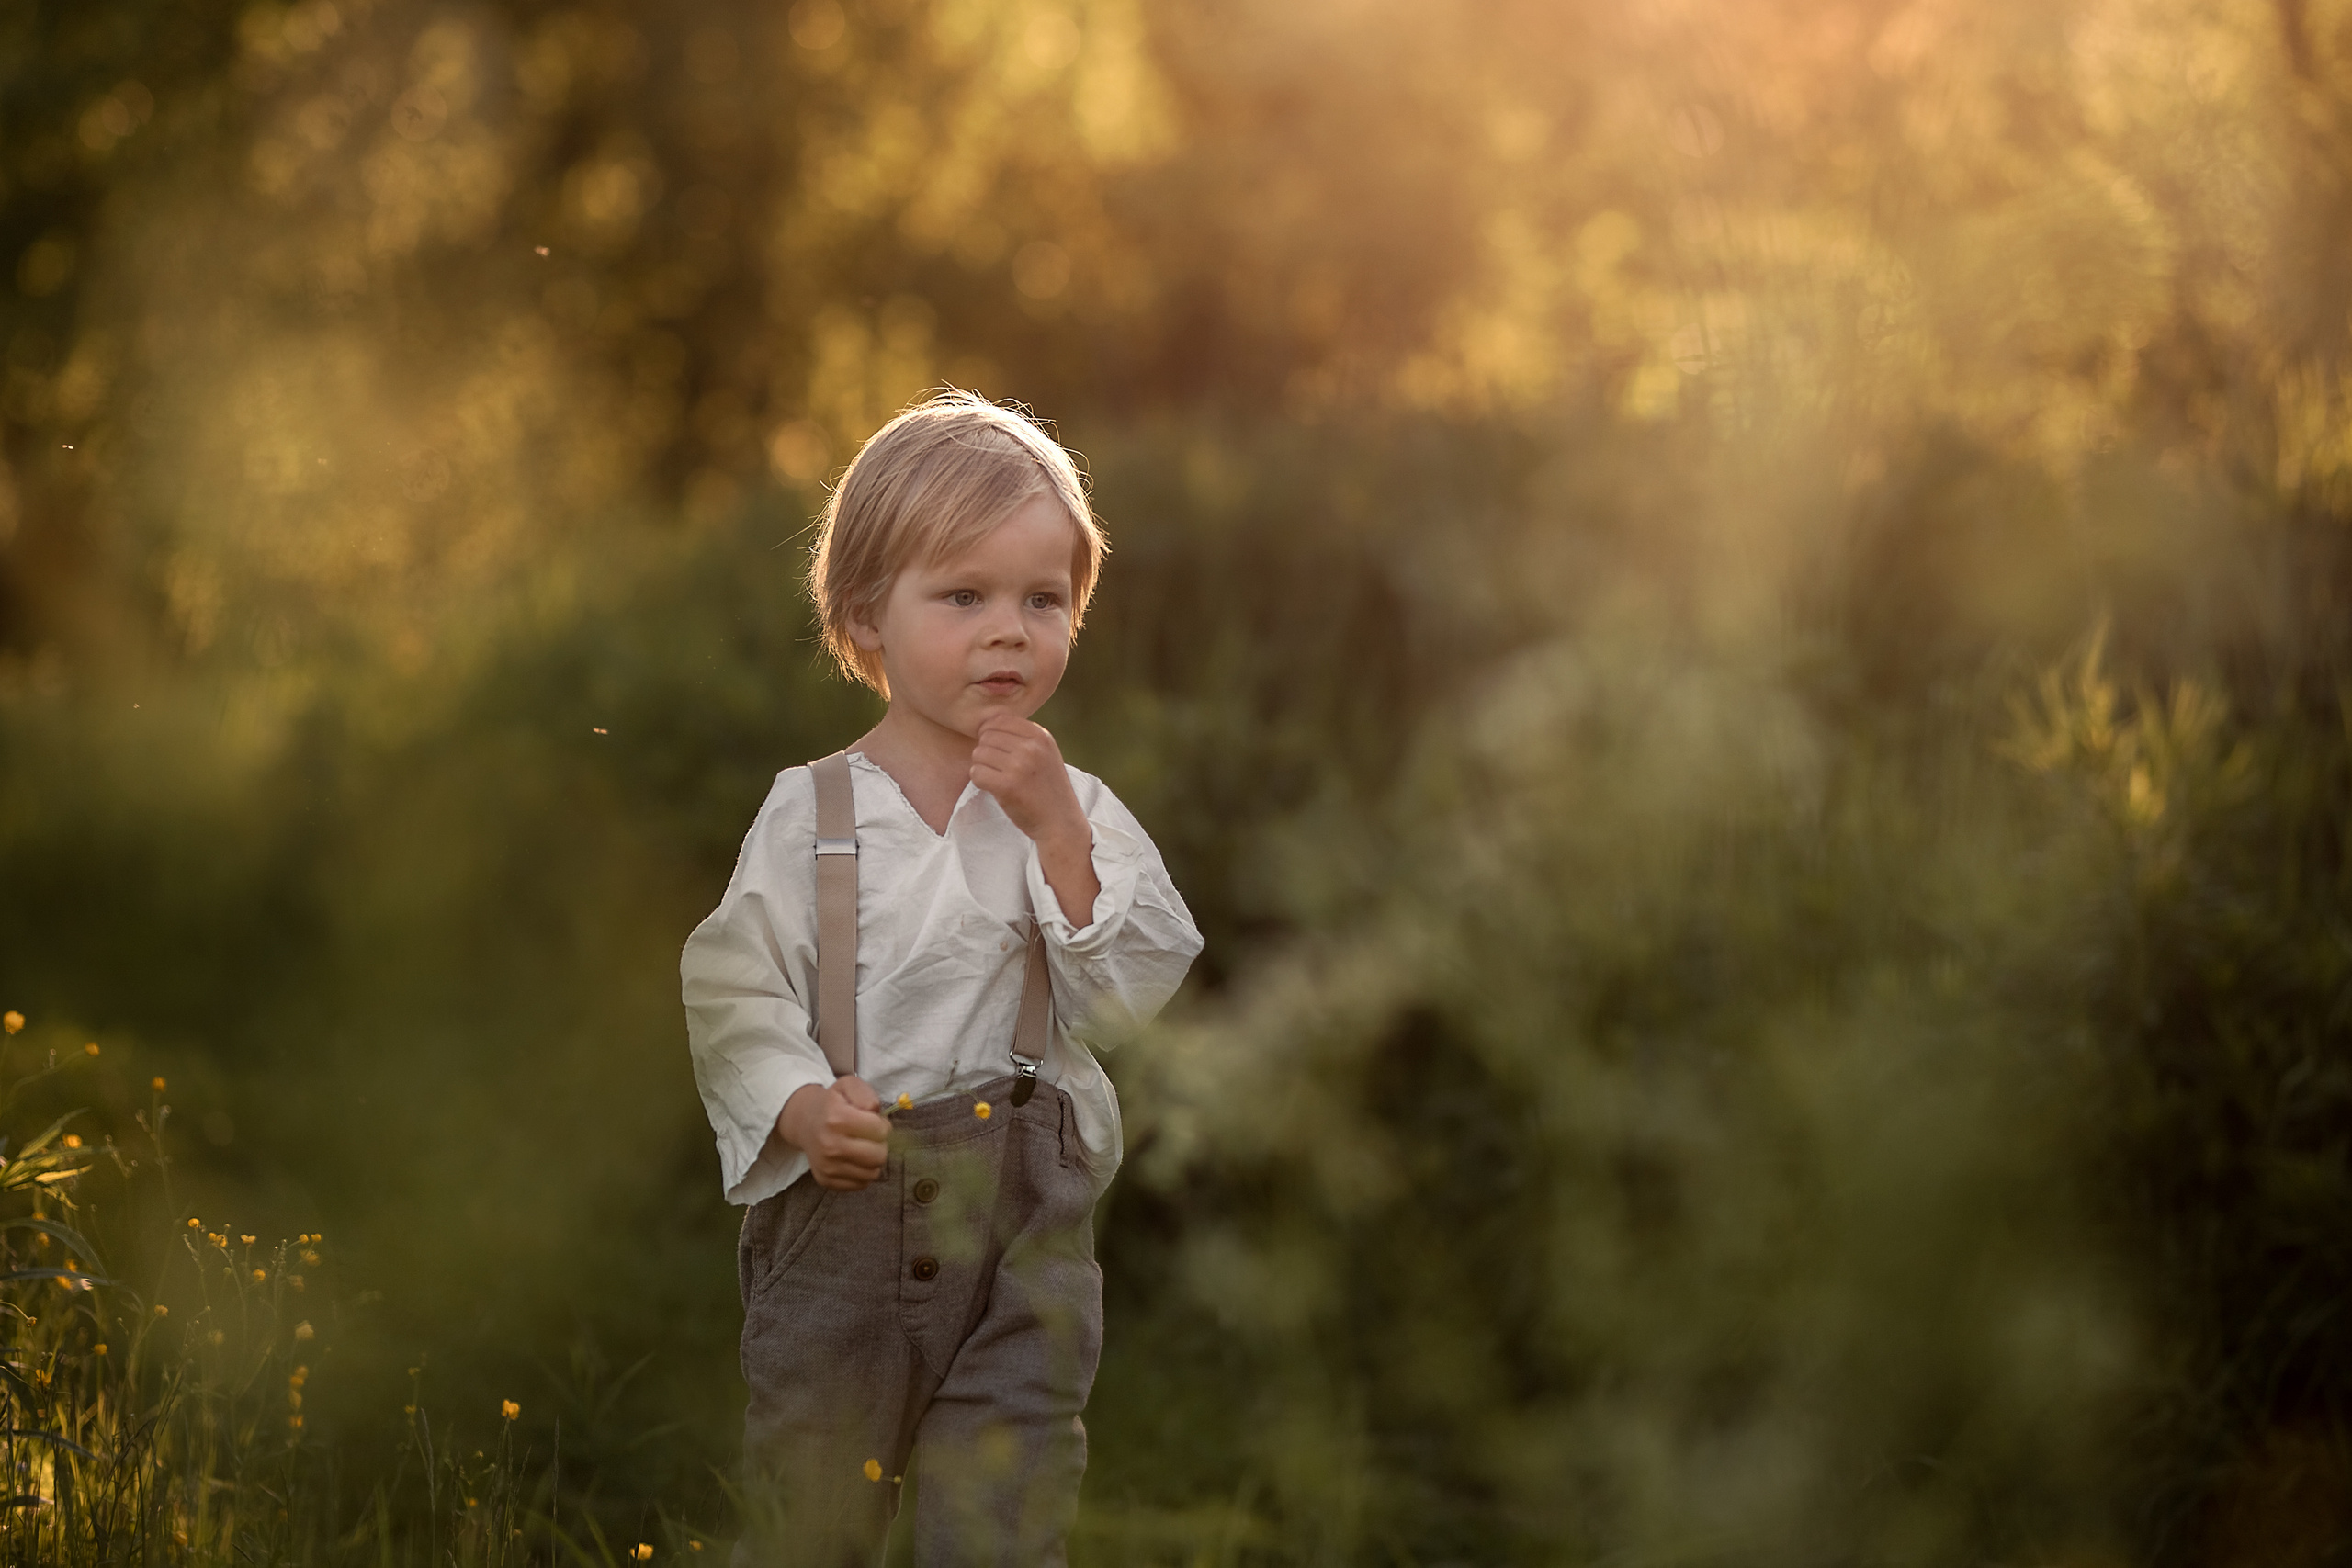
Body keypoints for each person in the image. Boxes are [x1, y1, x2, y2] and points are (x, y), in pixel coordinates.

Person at [682, 390, 1204, 1565]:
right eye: (962, 596)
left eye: (1041, 599)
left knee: (1002, 1520)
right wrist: (801, 1104)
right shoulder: (812, 812)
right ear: (867, 615)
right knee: (813, 1515)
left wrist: (1059, 838)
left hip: (1023, 1225)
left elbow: (1130, 996)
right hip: (843, 1214)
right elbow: (734, 989)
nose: (1008, 631)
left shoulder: (1073, 810)